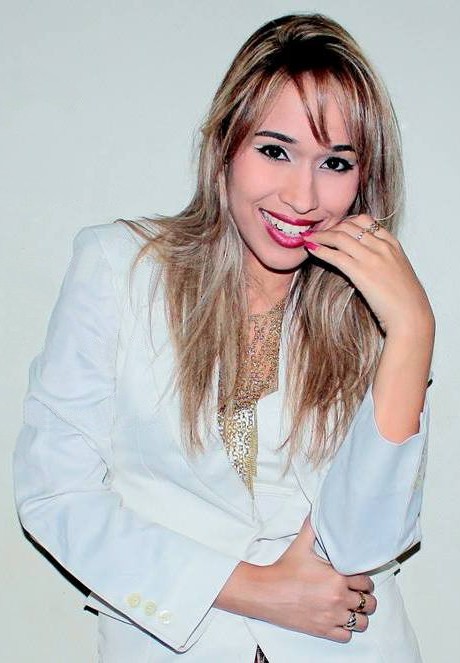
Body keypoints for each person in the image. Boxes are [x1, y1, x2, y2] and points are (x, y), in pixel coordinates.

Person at [13, 13, 434, 663]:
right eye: (275, 151)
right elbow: (56, 492)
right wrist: (256, 590)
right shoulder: (119, 268)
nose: (302, 196)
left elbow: (365, 542)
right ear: (225, 146)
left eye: (335, 162)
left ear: (363, 178)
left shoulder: (370, 305)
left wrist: (411, 332)